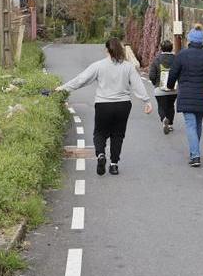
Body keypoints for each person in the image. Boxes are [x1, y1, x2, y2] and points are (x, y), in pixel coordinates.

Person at [58, 38, 154, 176]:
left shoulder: (98, 65)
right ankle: (114, 164)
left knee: (100, 133)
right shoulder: (128, 67)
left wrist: (63, 88)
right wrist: (147, 101)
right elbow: (138, 84)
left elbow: (81, 80)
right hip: (123, 105)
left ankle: (101, 155)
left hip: (103, 105)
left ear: (106, 50)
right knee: (118, 135)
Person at [167, 27, 203, 167]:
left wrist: (171, 86)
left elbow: (173, 73)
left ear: (189, 40)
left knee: (190, 125)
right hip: (202, 93)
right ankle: (195, 151)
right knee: (198, 124)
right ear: (202, 41)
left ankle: (195, 155)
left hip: (186, 93)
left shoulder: (182, 55)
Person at [148, 40, 177, 135]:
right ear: (171, 48)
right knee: (170, 105)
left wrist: (155, 83)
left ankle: (164, 119)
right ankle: (170, 124)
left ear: (161, 48)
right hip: (173, 88)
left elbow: (152, 75)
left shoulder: (157, 59)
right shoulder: (176, 59)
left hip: (159, 88)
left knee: (161, 106)